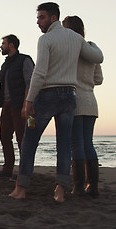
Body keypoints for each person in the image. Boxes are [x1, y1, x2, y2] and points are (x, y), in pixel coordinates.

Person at [9, 2, 104, 202]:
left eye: (41, 17)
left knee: (29, 143)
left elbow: (40, 72)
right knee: (64, 145)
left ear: (53, 18)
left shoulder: (46, 39)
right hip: (70, 96)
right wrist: (91, 45)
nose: (38, 22)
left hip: (47, 94)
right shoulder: (77, 38)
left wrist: (29, 100)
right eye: (37, 18)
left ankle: (21, 189)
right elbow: (98, 57)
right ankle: (60, 191)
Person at [63, 16, 104, 197]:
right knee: (88, 143)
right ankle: (92, 186)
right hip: (91, 100)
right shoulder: (91, 50)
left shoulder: (69, 50)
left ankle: (78, 186)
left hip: (75, 99)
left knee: (76, 144)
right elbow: (99, 79)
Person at [0, 35, 35, 179]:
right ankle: (7, 170)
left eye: (3, 43)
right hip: (7, 105)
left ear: (11, 45)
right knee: (4, 137)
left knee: (22, 139)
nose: (1, 47)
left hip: (20, 104)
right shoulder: (6, 64)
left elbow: (30, 82)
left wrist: (27, 104)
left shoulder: (25, 60)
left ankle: (24, 172)